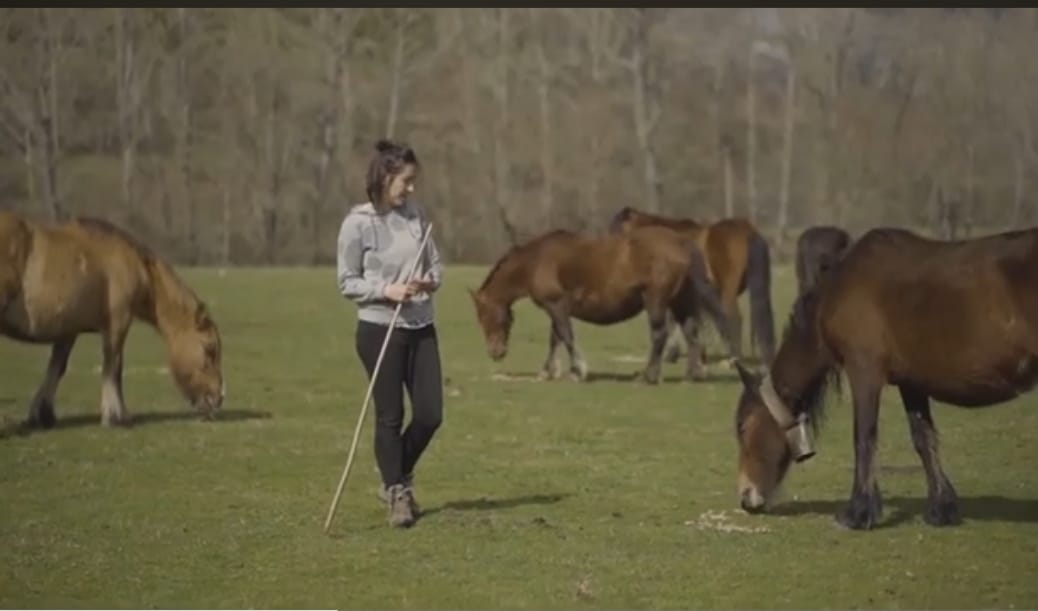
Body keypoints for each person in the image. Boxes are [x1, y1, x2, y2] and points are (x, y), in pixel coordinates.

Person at [336, 139, 444, 528]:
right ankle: (397, 491)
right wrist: (387, 290)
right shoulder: (358, 224)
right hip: (379, 330)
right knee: (390, 416)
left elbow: (436, 268)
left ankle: (394, 474)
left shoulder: (417, 216)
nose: (411, 189)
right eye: (406, 181)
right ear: (385, 177)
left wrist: (427, 282)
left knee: (431, 414)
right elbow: (346, 282)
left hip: (421, 326)